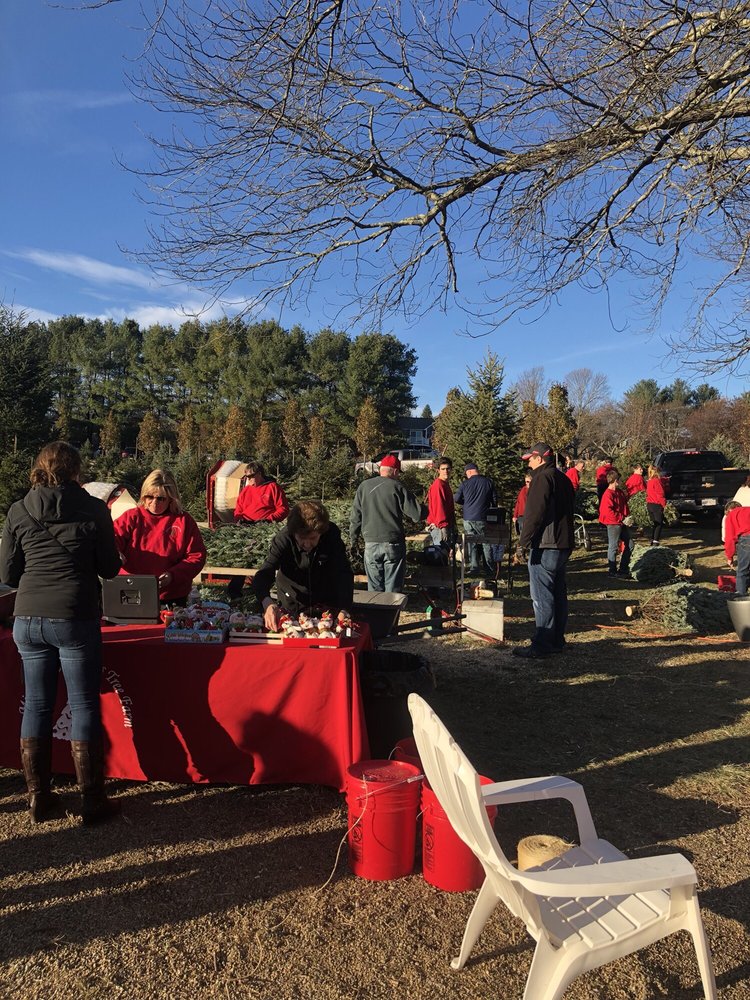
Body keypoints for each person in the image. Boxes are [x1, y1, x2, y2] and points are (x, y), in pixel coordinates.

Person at [0, 441, 122, 824]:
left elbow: (7, 575)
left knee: (37, 704)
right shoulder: (93, 509)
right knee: (83, 704)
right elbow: (110, 568)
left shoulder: (19, 510)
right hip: (73, 614)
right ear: (76, 470)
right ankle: (92, 799)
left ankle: (39, 797)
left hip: (28, 617)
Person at [515, 442, 575, 659]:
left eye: (530, 459)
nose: (529, 463)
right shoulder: (563, 478)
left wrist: (523, 543)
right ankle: (557, 640)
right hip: (563, 543)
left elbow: (534, 514)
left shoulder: (541, 478)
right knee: (558, 593)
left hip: (546, 545)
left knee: (542, 595)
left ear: (540, 458)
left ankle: (542, 644)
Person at [253, 501, 354, 629]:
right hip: (292, 600)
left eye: (313, 538)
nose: (307, 544)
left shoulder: (331, 535)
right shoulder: (283, 539)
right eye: (301, 538)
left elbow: (343, 572)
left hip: (325, 600)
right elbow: (265, 572)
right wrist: (267, 602)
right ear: (293, 533)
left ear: (321, 533)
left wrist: (344, 608)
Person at [113, 469, 207, 605]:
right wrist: (115, 552)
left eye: (161, 498)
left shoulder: (183, 521)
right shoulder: (132, 517)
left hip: (171, 595)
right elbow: (113, 538)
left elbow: (196, 556)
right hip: (131, 592)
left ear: (171, 498)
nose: (154, 502)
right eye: (150, 497)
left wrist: (173, 575)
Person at [350, 454, 424, 592]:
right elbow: (417, 514)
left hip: (370, 543)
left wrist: (353, 540)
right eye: (398, 473)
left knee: (374, 588)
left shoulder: (364, 487)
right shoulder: (398, 487)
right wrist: (426, 508)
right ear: (395, 471)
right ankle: (391, 611)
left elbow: (355, 517)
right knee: (393, 589)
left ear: (381, 469)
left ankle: (376, 612)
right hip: (393, 543)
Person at [453, 462, 497, 576]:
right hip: (483, 517)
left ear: (470, 471)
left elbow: (456, 498)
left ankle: (474, 567)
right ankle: (489, 568)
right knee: (486, 543)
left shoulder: (465, 484)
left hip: (468, 517)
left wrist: (466, 503)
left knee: (471, 543)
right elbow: (494, 501)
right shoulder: (488, 482)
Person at [598, 470, 634, 576]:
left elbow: (624, 505)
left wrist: (628, 517)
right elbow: (607, 511)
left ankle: (623, 568)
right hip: (613, 523)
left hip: (621, 522)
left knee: (630, 544)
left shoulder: (618, 492)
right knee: (613, 546)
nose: (621, 481)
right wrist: (622, 517)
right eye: (619, 479)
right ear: (615, 480)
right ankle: (612, 570)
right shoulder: (608, 494)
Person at [426, 458, 456, 550]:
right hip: (439, 527)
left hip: (445, 525)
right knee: (440, 556)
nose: (446, 471)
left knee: (444, 556)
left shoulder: (445, 484)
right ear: (438, 470)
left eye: (448, 468)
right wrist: (443, 526)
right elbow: (439, 507)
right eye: (443, 469)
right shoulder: (438, 485)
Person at [724, 502, 750, 595]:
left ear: (729, 510)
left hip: (747, 539)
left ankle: (741, 598)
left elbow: (729, 538)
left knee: (742, 571)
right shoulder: (748, 509)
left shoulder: (732, 515)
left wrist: (729, 557)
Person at [646, 464, 667, 545]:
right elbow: (660, 494)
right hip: (656, 505)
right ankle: (656, 541)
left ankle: (652, 539)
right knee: (659, 524)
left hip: (650, 504)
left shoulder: (649, 481)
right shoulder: (657, 481)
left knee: (655, 523)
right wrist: (664, 505)